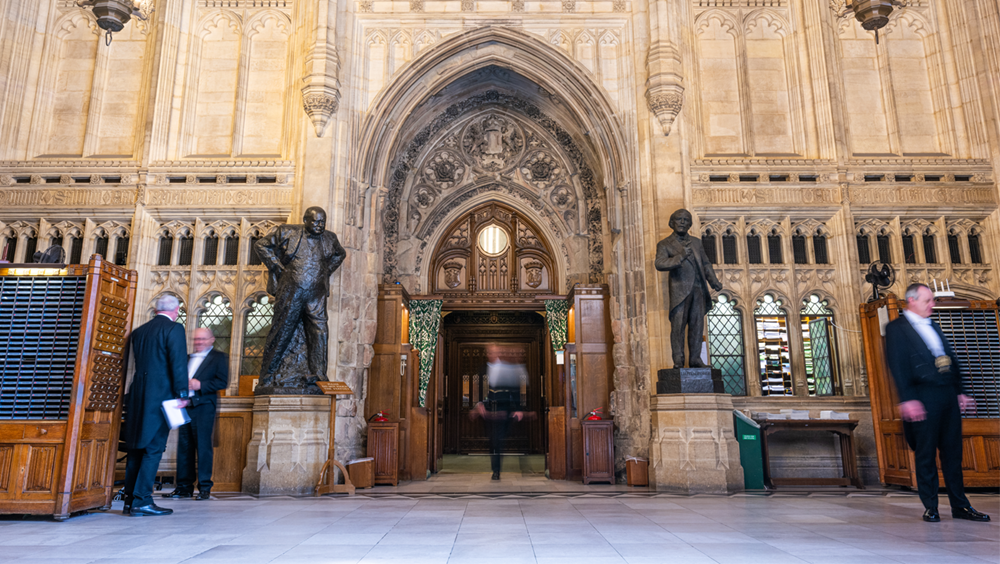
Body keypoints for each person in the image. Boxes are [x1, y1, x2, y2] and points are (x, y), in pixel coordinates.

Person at [885, 283, 990, 523]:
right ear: (911, 301)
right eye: (928, 300)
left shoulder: (934, 324)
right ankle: (931, 506)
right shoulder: (896, 328)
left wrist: (960, 392)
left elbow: (951, 359)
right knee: (926, 454)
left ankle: (960, 506)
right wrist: (908, 399)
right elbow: (897, 366)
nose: (933, 304)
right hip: (922, 397)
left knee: (953, 454)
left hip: (947, 395)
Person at [254, 206, 346, 391]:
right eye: (316, 222)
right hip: (292, 291)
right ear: (306, 221)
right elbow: (261, 245)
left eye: (323, 222)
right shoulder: (287, 232)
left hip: (316, 293)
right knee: (282, 330)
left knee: (320, 331)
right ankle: (268, 375)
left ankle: (319, 373)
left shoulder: (329, 238)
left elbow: (340, 254)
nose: (320, 225)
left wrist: (325, 272)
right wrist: (276, 266)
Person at [121, 294, 189, 516]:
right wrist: (182, 394)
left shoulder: (138, 332)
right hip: (161, 399)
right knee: (153, 449)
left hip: (137, 396)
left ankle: (130, 500)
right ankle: (143, 500)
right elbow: (178, 364)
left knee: (135, 449)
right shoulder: (174, 329)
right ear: (176, 310)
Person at [162, 328, 229, 501]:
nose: (198, 342)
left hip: (204, 407)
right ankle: (184, 487)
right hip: (185, 406)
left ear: (211, 339)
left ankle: (205, 487)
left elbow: (222, 381)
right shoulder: (187, 358)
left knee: (203, 447)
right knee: (184, 448)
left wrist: (201, 384)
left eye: (202, 339)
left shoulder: (219, 358)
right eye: (196, 339)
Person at [654, 209, 723, 368]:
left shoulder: (697, 242)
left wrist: (713, 281)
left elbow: (705, 263)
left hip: (698, 289)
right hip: (680, 291)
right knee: (678, 327)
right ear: (672, 223)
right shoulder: (665, 244)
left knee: (697, 325)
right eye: (679, 219)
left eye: (686, 220)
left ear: (690, 224)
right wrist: (681, 256)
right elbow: (660, 263)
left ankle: (695, 359)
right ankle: (678, 360)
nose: (683, 222)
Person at [471, 344, 526, 481]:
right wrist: (478, 404)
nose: (492, 354)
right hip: (488, 411)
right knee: (493, 440)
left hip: (504, 409)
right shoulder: (482, 370)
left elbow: (515, 389)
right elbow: (477, 389)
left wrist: (518, 408)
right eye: (490, 352)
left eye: (495, 352)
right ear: (487, 354)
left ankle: (497, 468)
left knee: (498, 440)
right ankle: (496, 470)